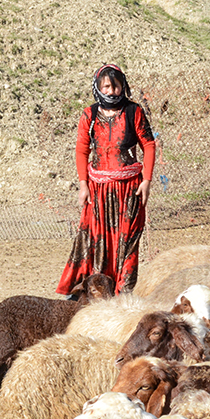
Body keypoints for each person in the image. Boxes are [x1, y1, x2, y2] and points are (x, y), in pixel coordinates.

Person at [56, 64, 156, 296]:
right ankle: (94, 292)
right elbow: (82, 149)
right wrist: (83, 185)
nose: (112, 91)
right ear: (98, 87)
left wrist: (147, 181)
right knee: (95, 240)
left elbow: (149, 145)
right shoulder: (89, 115)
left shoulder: (134, 112)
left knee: (126, 243)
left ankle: (123, 296)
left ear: (123, 86)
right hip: (98, 191)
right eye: (107, 86)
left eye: (116, 86)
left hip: (129, 191)